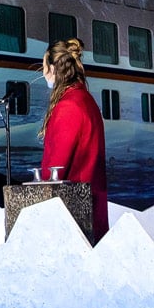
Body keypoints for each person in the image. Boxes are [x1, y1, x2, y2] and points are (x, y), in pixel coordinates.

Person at [39, 38, 109, 242]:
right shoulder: (85, 99)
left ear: (53, 68)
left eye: (44, 68)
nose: (43, 74)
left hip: (72, 213)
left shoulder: (68, 106)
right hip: (90, 207)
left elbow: (55, 169)